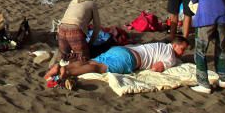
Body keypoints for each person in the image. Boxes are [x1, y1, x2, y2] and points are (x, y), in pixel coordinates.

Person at [48, 38, 188, 78]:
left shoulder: (161, 44)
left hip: (121, 49)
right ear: (175, 45)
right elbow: (156, 68)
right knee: (97, 67)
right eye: (182, 49)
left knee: (92, 62)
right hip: (130, 59)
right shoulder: (171, 57)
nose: (182, 53)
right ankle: (67, 72)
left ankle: (62, 67)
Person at [45, 0, 101, 78]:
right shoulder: (91, 3)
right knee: (84, 60)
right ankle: (65, 70)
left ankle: (53, 66)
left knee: (64, 54)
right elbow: (97, 27)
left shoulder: (73, 2)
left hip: (61, 29)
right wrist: (91, 43)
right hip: (75, 31)